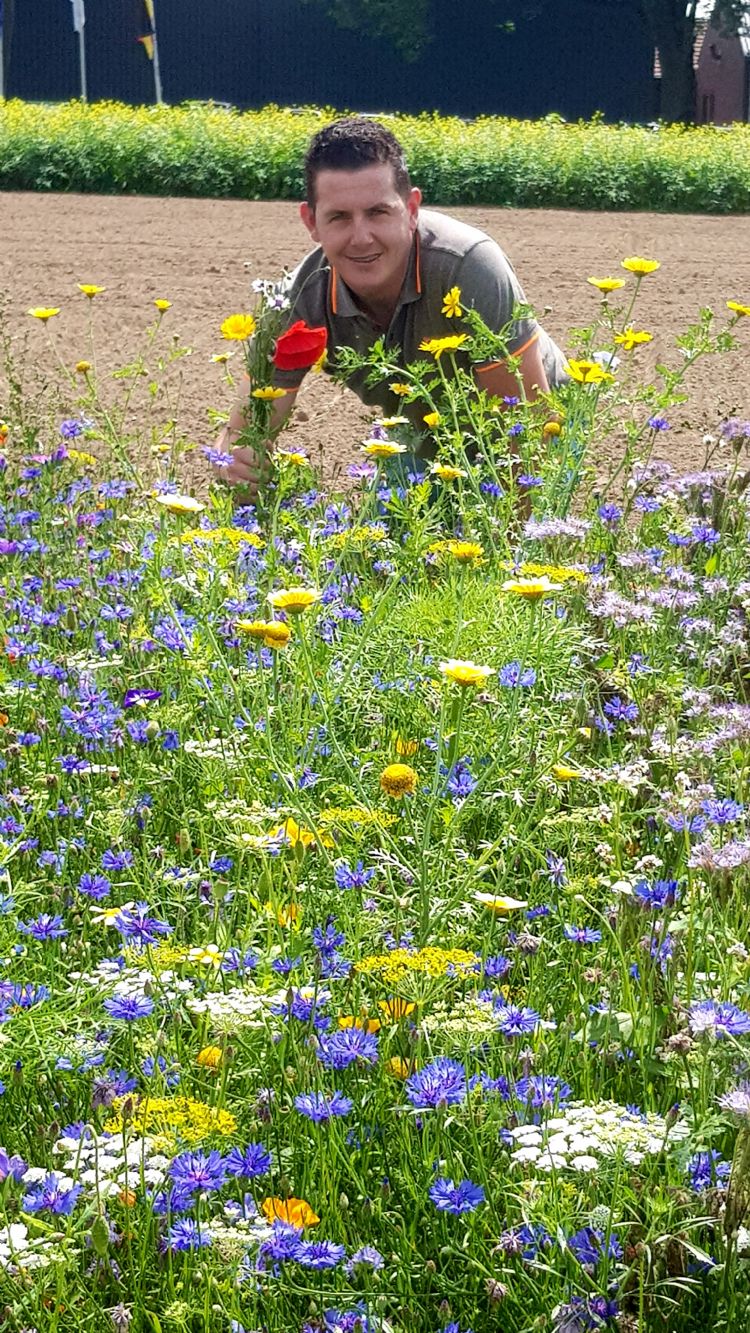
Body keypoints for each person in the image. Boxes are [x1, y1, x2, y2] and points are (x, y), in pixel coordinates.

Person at [216, 116, 567, 496]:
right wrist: (234, 463)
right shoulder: (298, 299)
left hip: (540, 421)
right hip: (423, 432)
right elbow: (244, 434)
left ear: (411, 209)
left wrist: (511, 542)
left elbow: (527, 423)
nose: (361, 238)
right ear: (311, 222)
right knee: (394, 533)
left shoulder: (467, 267)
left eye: (378, 213)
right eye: (339, 217)